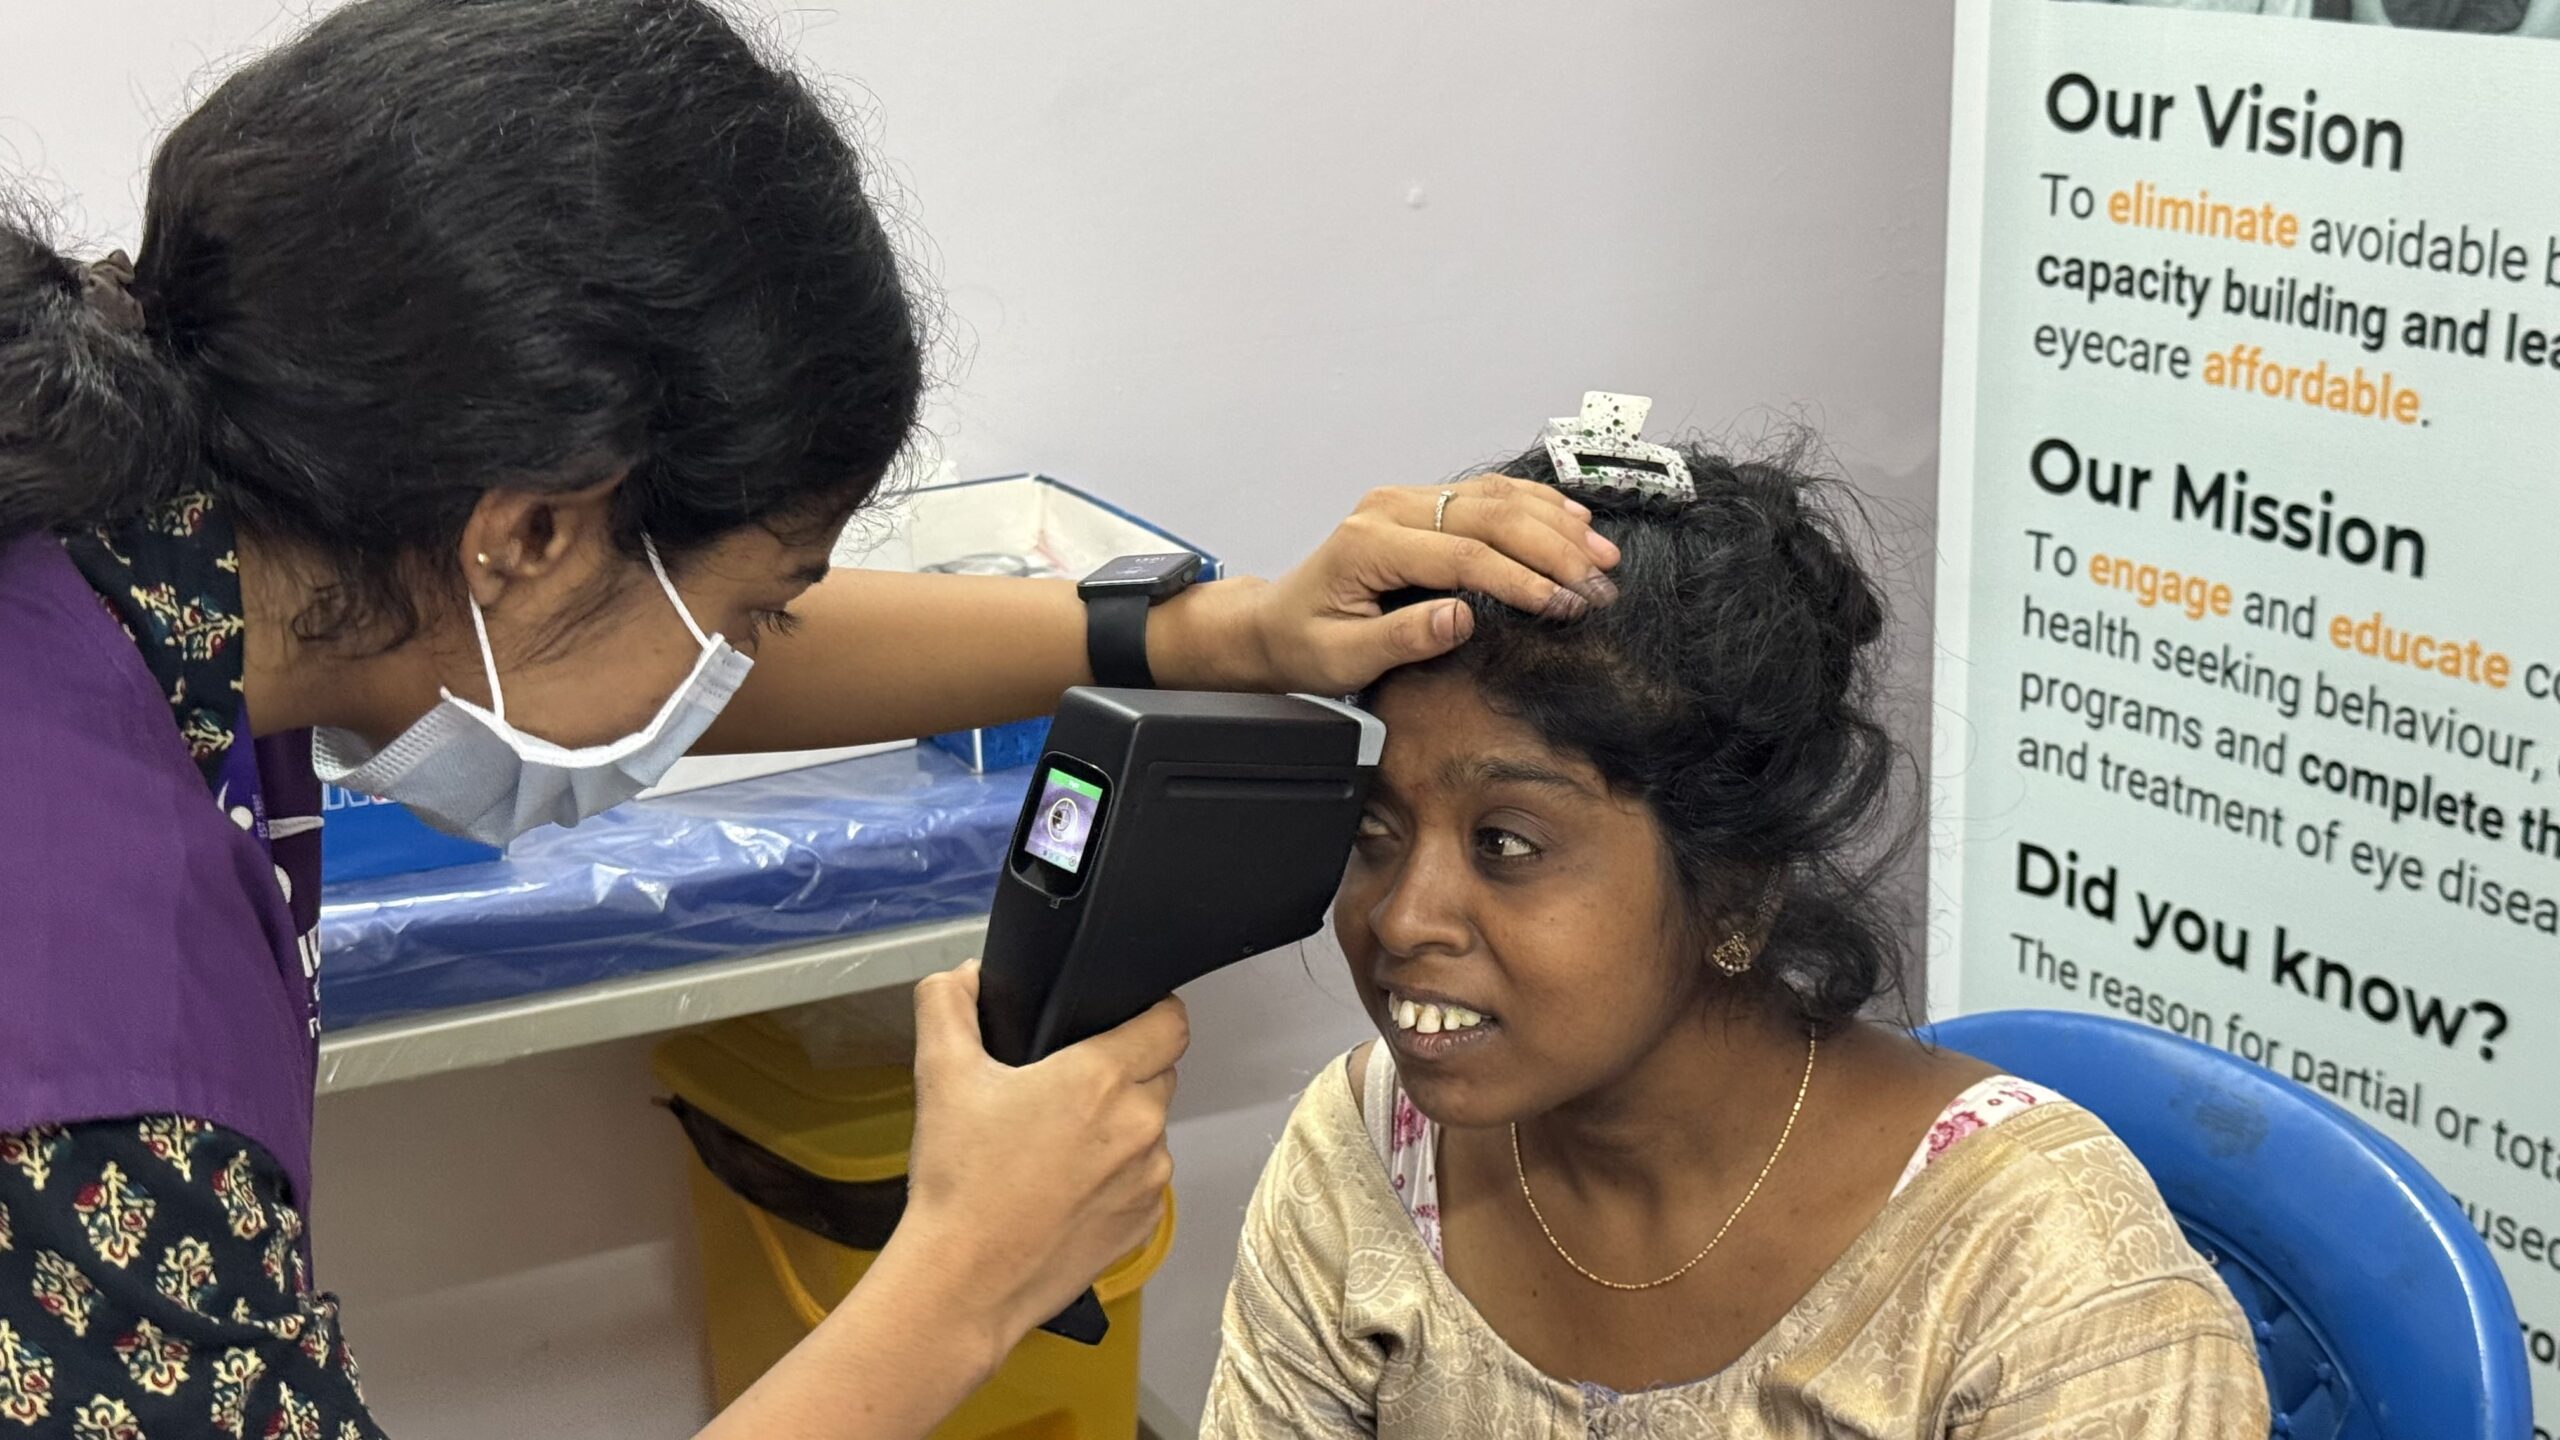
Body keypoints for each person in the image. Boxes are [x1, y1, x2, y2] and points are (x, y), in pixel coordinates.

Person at [0, 2, 1623, 1436]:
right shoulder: (87, 1077)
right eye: (760, 605)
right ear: (529, 533)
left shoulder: (168, 516)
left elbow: (640, 638)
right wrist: (965, 1281)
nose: (740, 659)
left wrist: (1216, 630)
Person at [1202, 428, 2272, 1436]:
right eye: (1375, 829)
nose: (1402, 915)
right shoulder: (1370, 1153)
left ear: (1736, 885)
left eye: (1507, 844)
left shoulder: (2047, 1283)